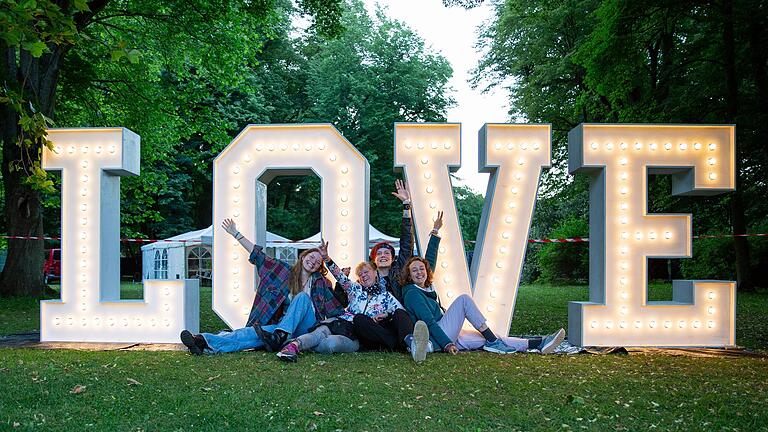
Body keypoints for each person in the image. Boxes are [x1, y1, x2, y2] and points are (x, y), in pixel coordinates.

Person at [401, 212, 565, 356]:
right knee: (464, 300)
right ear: (409, 275)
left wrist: (435, 231)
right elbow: (428, 323)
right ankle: (492, 342)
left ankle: (538, 344)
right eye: (414, 271)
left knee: (489, 337)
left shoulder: (425, 285)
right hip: (437, 337)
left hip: (449, 333)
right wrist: (447, 344)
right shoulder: (412, 293)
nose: (419, 272)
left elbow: (430, 258)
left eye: (421, 269)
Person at [179, 218, 344, 355]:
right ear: (303, 256)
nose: (313, 261)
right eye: (311, 256)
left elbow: (337, 306)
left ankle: (279, 336)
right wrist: (236, 234)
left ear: (318, 267)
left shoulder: (320, 282)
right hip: (283, 327)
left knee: (302, 297)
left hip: (306, 329)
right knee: (250, 334)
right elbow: (259, 256)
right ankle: (203, 342)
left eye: (317, 261)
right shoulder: (283, 271)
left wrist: (327, 258)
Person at [277, 240, 430, 362]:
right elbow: (339, 276)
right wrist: (326, 258)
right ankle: (293, 346)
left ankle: (412, 344)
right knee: (337, 327)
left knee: (330, 343)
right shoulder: (354, 289)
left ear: (375, 273)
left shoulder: (386, 296)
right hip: (347, 325)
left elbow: (400, 312)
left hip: (367, 334)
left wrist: (386, 314)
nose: (364, 275)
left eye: (367, 272)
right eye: (360, 274)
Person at [365, 179, 414, 304]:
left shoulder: (400, 270)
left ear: (393, 258)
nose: (383, 256)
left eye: (387, 253)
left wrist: (406, 204)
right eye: (379, 253)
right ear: (373, 259)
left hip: (400, 316)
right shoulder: (367, 276)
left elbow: (407, 241)